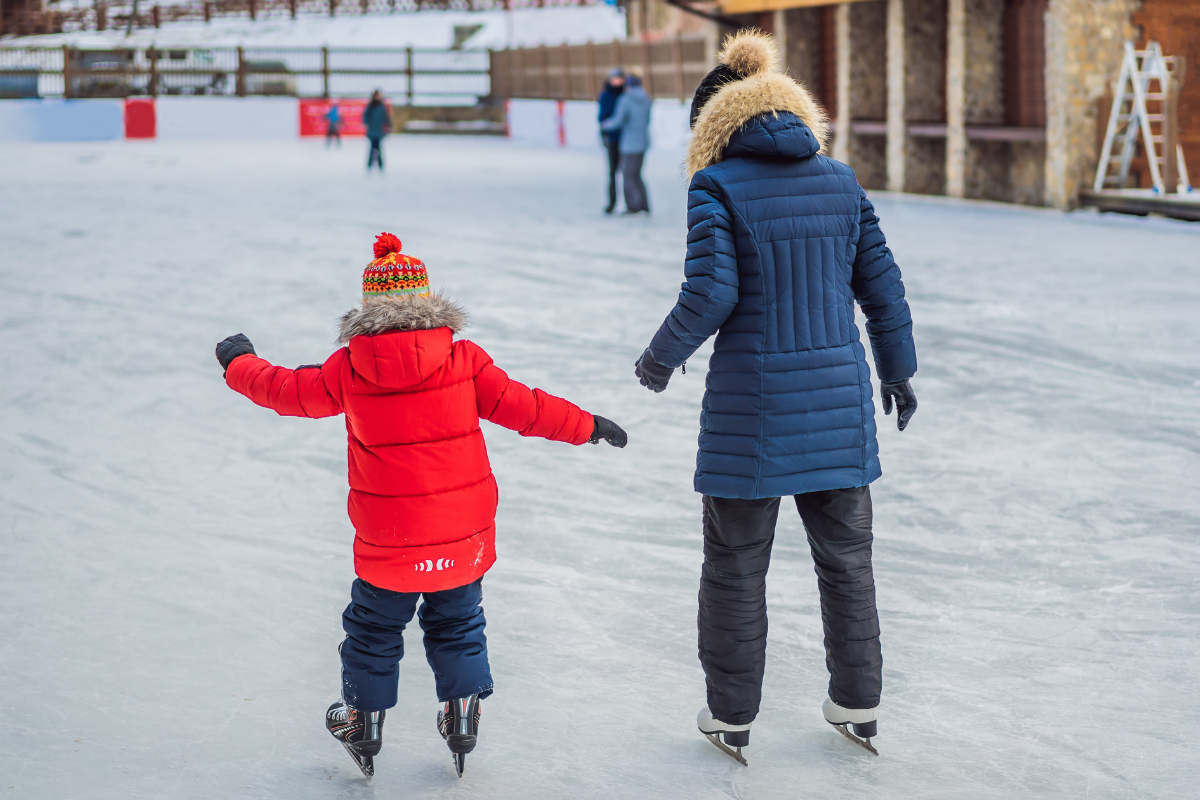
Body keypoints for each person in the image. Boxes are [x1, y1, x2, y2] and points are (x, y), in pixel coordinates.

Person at [214, 233, 628, 779]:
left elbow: (287, 391)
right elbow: (526, 406)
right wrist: (588, 425)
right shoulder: (464, 359)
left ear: (369, 309)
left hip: (389, 537)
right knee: (458, 622)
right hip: (463, 534)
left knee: (373, 629)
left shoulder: (349, 367)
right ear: (427, 300)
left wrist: (238, 362)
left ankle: (363, 722)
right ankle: (462, 712)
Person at [633, 31, 918, 763]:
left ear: (711, 128)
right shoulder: (841, 179)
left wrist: (659, 359)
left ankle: (731, 715)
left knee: (735, 568)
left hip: (750, 416)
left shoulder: (717, 185)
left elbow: (712, 293)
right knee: (848, 565)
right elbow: (882, 289)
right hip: (839, 406)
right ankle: (858, 700)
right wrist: (897, 371)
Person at [599, 71, 651, 215]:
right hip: (642, 141)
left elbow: (618, 121)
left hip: (629, 143)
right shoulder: (646, 98)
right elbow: (646, 119)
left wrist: (605, 125)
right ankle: (645, 204)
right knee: (637, 174)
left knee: (628, 175)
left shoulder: (626, 99)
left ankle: (632, 206)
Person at [597, 67, 626, 214]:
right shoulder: (606, 95)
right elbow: (602, 117)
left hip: (625, 139)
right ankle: (612, 202)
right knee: (612, 172)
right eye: (615, 79)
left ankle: (630, 203)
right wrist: (605, 132)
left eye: (619, 79)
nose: (617, 81)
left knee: (627, 172)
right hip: (612, 138)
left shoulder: (625, 95)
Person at [362, 90, 392, 172]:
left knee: (378, 148)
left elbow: (386, 117)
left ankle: (380, 165)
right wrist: (367, 124)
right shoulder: (370, 106)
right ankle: (370, 164)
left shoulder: (382, 106)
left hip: (379, 130)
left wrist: (389, 126)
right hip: (372, 130)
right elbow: (365, 117)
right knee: (372, 147)